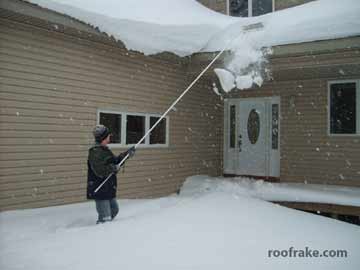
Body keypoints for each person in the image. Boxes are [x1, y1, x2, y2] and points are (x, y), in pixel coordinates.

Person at [87, 125, 136, 224]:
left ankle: (108, 228)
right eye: (108, 136)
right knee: (105, 217)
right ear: (103, 138)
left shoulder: (104, 150)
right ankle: (102, 230)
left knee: (114, 210)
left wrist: (127, 155)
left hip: (108, 188)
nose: (110, 137)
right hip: (100, 189)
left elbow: (115, 161)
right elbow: (99, 171)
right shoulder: (95, 152)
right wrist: (112, 168)